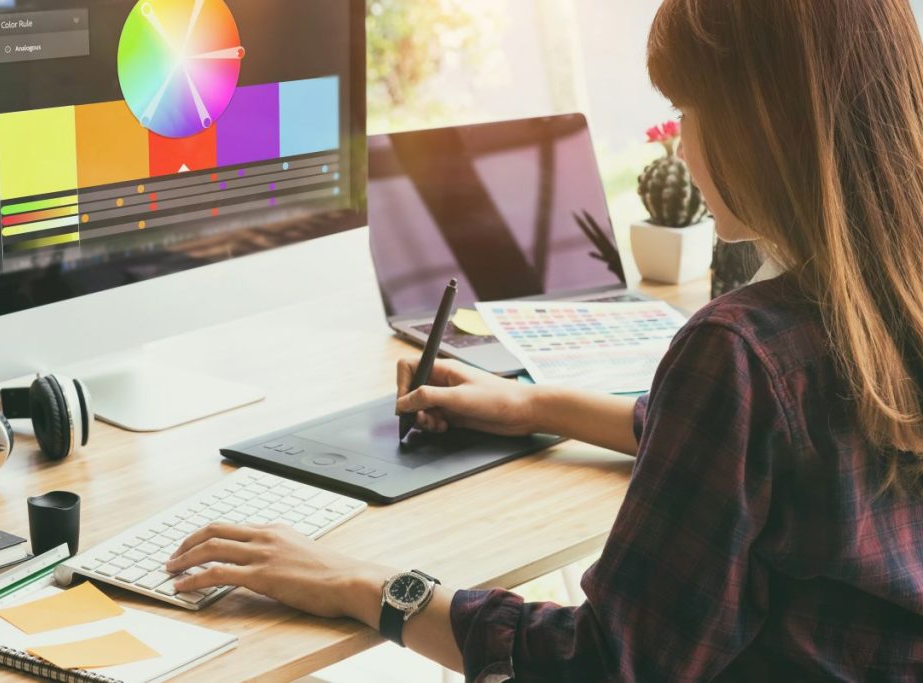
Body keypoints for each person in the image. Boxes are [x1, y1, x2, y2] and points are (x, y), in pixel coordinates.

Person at [165, 0, 923, 679]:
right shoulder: (880, 307)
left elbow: (601, 663)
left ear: (767, 122)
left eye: (691, 113)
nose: (685, 150)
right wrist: (534, 406)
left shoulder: (740, 351)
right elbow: (759, 458)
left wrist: (361, 583)